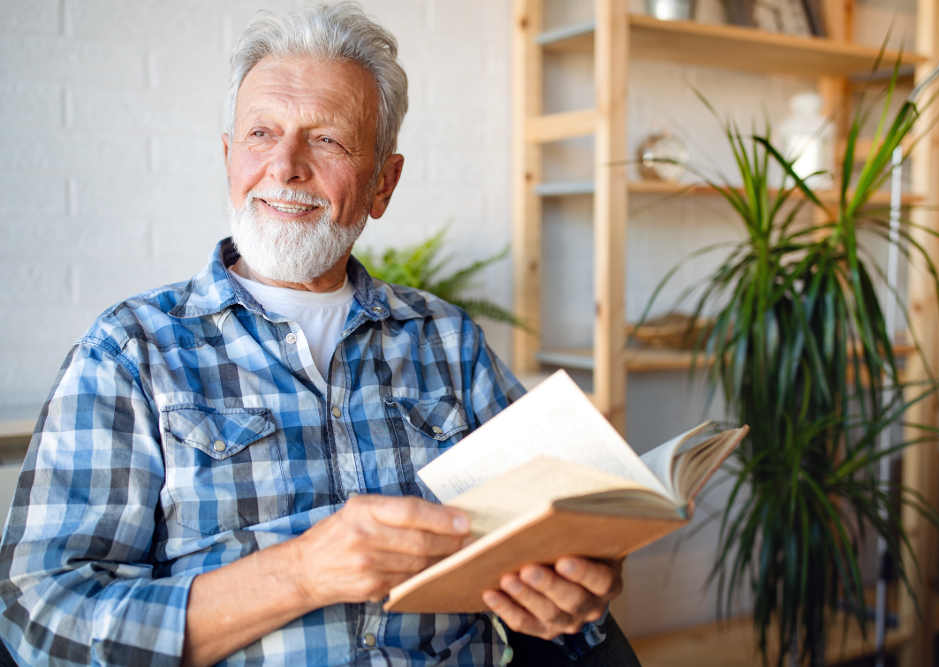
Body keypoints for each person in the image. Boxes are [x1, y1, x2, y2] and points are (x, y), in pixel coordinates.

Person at [0, 4, 626, 666]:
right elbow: (39, 620)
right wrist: (300, 571)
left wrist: (576, 598)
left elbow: (555, 554)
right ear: (228, 156)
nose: (285, 165)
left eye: (327, 139)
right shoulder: (130, 352)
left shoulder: (450, 342)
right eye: (261, 134)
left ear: (383, 181)